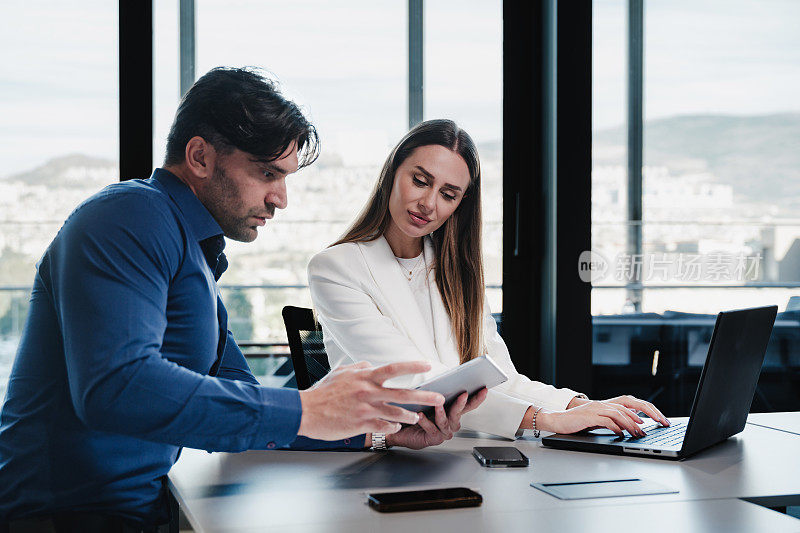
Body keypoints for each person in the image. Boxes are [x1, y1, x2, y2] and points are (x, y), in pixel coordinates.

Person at [0, 69, 487, 531]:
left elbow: (243, 395)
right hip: (61, 518)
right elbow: (117, 387)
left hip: (135, 512)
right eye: (267, 174)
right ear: (200, 157)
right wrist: (310, 409)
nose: (281, 198)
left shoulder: (193, 255)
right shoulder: (130, 216)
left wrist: (375, 431)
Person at [308, 119, 670, 440]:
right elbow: (424, 387)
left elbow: (502, 380)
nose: (428, 203)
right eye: (420, 181)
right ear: (392, 174)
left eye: (448, 194)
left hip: (455, 455)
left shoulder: (454, 272)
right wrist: (547, 420)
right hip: (381, 458)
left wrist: (582, 405)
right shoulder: (336, 268)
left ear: (459, 205)